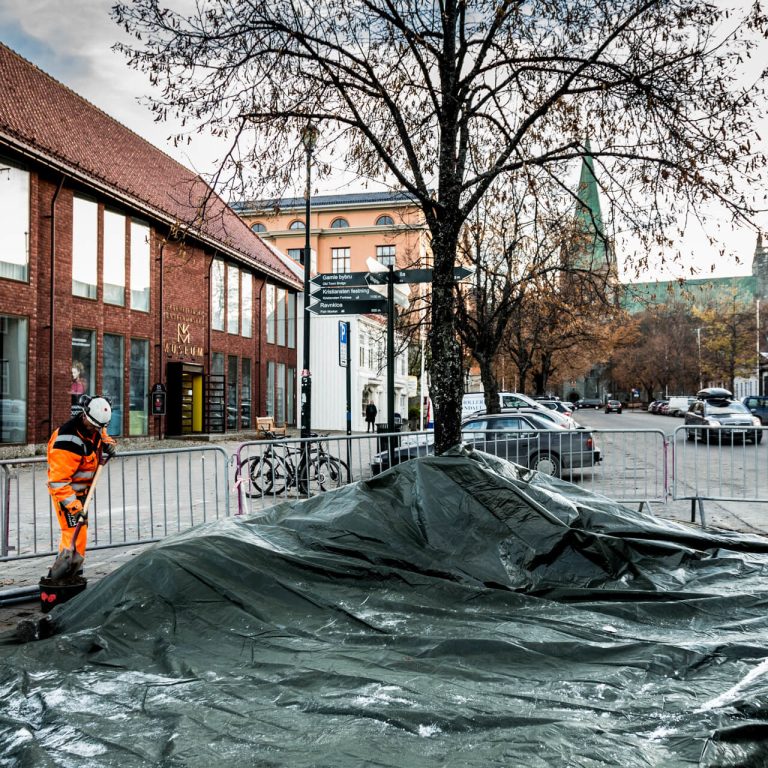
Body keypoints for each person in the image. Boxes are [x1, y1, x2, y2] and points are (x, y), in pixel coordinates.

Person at [46, 395, 117, 579]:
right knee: (73, 532)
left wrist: (109, 444)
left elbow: (103, 437)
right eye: (94, 426)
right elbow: (58, 481)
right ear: (85, 416)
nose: (97, 430)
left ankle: (73, 571)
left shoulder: (95, 427)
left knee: (80, 532)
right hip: (67, 495)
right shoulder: (66, 440)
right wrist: (75, 507)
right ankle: (63, 575)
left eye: (99, 428)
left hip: (83, 492)